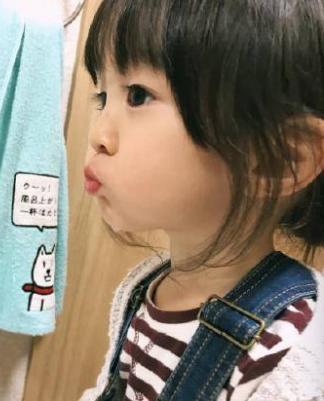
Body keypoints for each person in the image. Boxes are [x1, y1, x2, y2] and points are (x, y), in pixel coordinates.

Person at [79, 1, 324, 400]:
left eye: (138, 95)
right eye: (102, 97)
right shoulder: (143, 285)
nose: (98, 135)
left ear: (280, 161)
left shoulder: (290, 350)